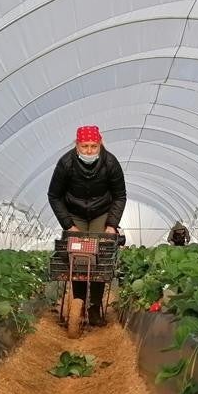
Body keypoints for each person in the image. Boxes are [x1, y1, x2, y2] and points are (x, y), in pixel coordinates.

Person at [47, 125, 127, 325]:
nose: (89, 151)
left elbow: (119, 196)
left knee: (100, 254)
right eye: (85, 146)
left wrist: (111, 224)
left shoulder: (111, 163)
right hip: (75, 213)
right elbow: (54, 196)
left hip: (102, 211)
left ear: (100, 144)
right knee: (78, 256)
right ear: (77, 145)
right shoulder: (66, 163)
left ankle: (94, 307)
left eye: (93, 146)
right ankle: (79, 302)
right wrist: (68, 224)